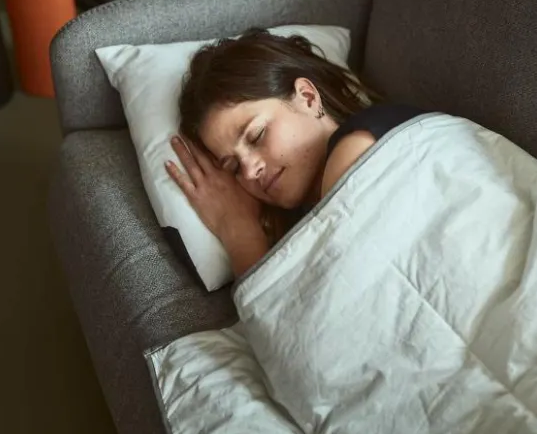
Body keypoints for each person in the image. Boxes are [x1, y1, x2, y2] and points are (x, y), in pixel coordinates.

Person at [165, 28, 426, 277]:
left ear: (308, 97)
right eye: (233, 167)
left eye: (257, 135)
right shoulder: (297, 231)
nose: (249, 171)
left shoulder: (357, 148)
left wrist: (239, 232)